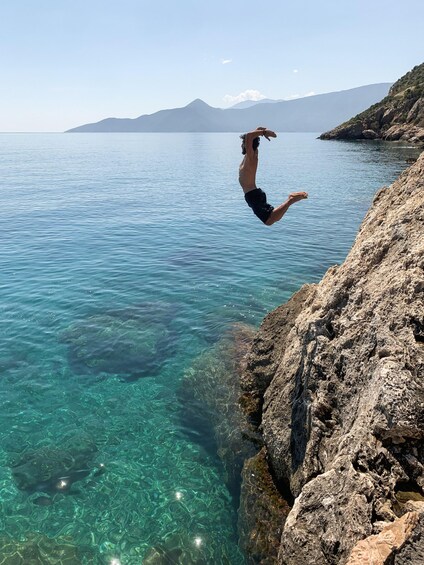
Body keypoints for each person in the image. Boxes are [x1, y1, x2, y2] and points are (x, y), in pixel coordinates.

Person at [239, 127, 308, 226]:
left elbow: (250, 136)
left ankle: (291, 200)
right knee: (270, 219)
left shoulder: (251, 156)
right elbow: (252, 135)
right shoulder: (249, 156)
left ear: (246, 144)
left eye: (243, 143)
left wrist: (264, 132)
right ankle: (290, 200)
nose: (241, 145)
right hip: (252, 195)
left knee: (269, 220)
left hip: (253, 195)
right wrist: (262, 131)